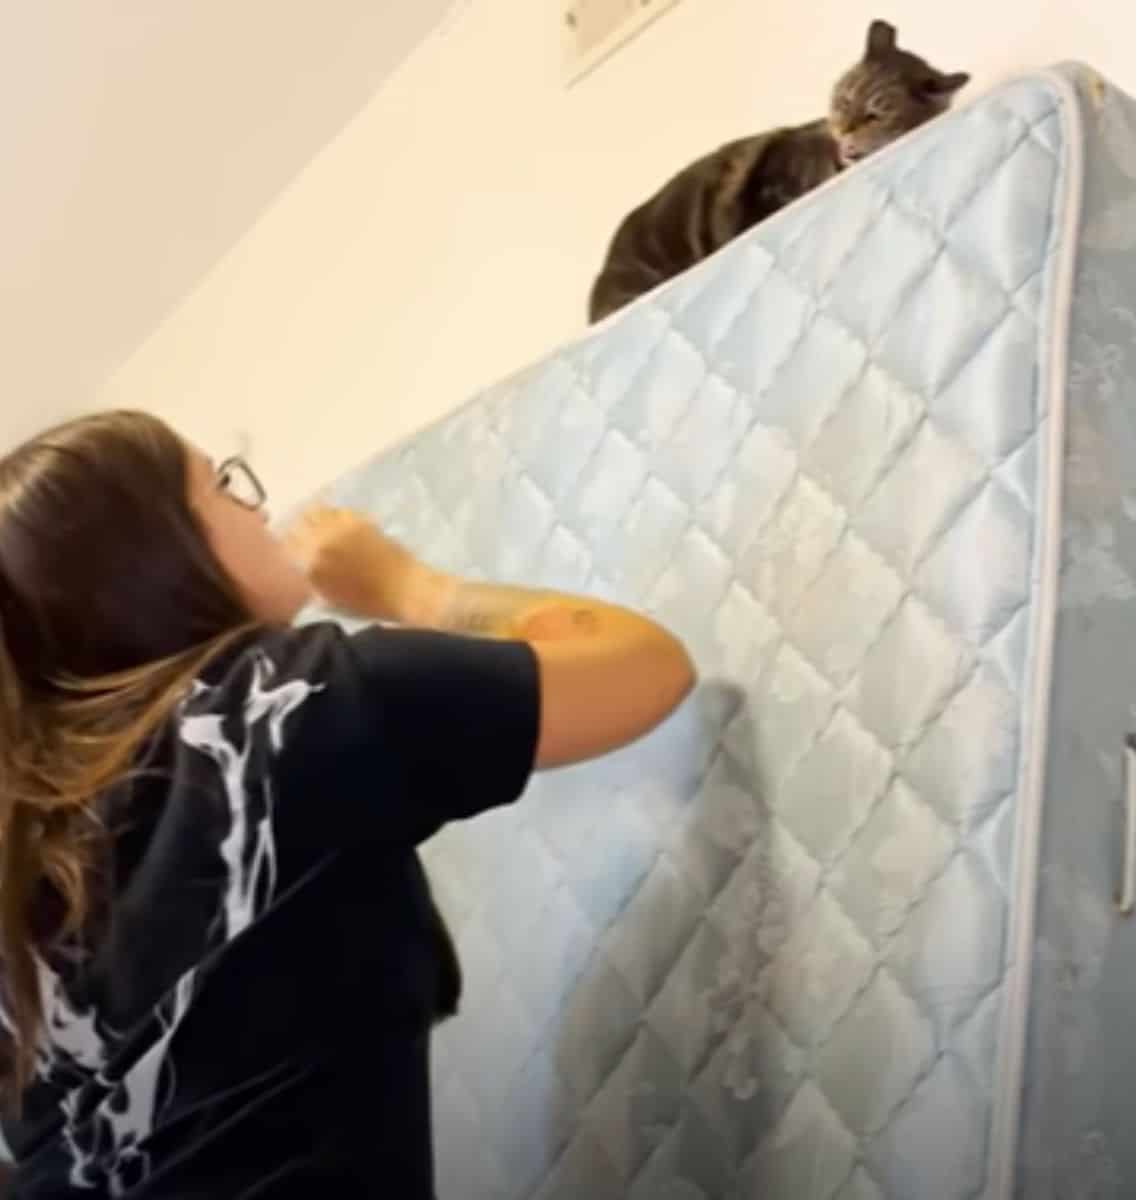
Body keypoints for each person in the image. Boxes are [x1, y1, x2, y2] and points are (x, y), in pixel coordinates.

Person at [0, 410, 696, 1197]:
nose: (258, 507)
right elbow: (645, 667)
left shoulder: (25, 832)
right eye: (222, 486)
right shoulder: (284, 700)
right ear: (155, 557)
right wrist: (403, 582)